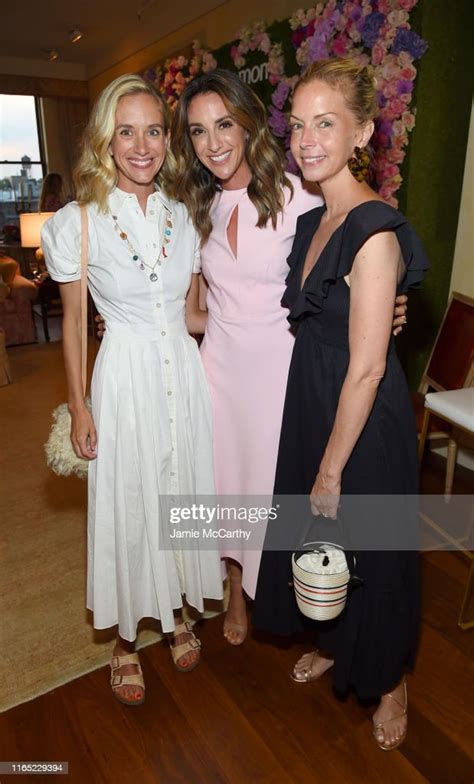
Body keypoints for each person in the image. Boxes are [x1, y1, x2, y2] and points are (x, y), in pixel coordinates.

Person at [170, 69, 408, 646]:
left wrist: (384, 308)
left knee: (276, 495)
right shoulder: (193, 207)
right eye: (198, 132)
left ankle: (299, 599)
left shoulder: (301, 192)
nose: (214, 143)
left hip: (282, 371)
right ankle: (235, 591)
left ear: (249, 123)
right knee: (227, 488)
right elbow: (193, 312)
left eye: (224, 124)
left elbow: (359, 249)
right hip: (219, 371)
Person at [253, 58, 429, 750]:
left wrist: (329, 467)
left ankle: (391, 680)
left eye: (326, 123)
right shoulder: (311, 222)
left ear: (362, 132)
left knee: (372, 552)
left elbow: (368, 367)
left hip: (360, 416)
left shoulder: (375, 229)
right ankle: (334, 641)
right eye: (299, 124)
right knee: (324, 544)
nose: (308, 139)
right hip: (314, 400)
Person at [42, 74, 223, 707]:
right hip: (120, 378)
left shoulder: (183, 216)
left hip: (182, 371)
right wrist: (80, 405)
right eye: (127, 131)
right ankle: (125, 642)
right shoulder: (79, 222)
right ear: (106, 140)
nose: (141, 145)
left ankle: (175, 615)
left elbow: (199, 314)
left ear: (167, 139)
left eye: (153, 130)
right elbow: (70, 323)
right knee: (128, 502)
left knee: (178, 491)